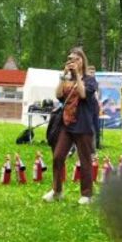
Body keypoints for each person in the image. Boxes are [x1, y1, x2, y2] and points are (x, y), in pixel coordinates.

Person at [42, 46, 99, 205]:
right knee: (58, 156)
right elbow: (59, 95)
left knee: (85, 159)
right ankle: (57, 191)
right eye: (70, 59)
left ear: (82, 61)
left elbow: (82, 94)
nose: (72, 62)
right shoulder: (66, 78)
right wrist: (63, 77)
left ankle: (86, 195)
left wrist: (79, 76)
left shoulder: (89, 79)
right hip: (67, 123)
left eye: (76, 59)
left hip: (83, 124)